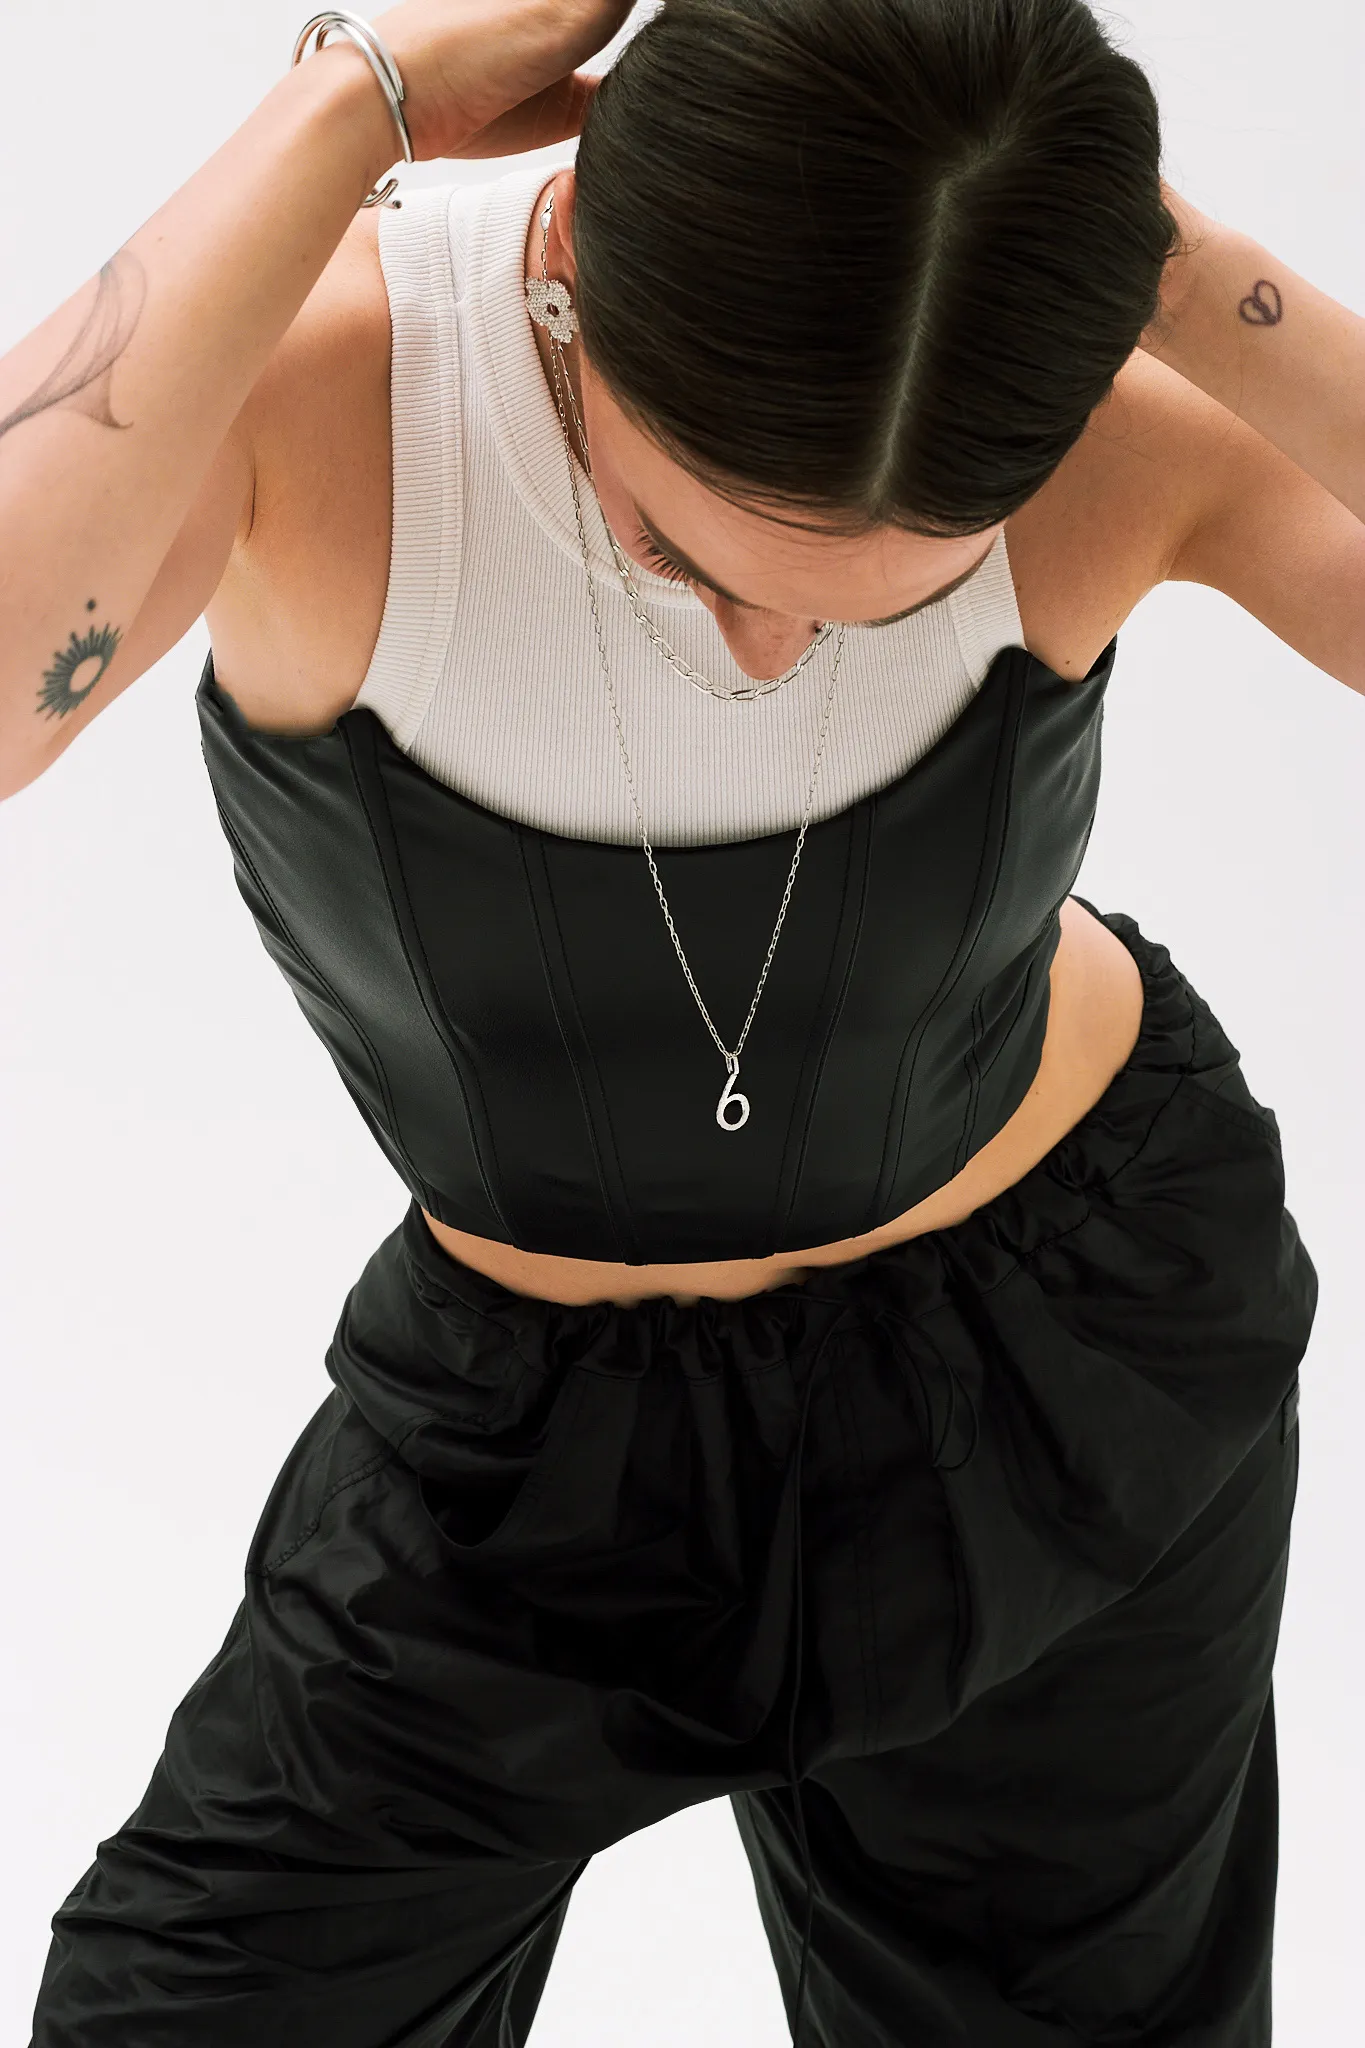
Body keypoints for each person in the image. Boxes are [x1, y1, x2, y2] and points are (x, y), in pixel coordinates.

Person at [6, 0, 1357, 2039]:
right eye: (684, 545)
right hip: (528, 1472)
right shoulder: (343, 383)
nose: (768, 649)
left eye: (893, 594)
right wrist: (347, 107)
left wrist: (1155, 266)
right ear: (564, 267)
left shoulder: (1088, 403)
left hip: (1071, 1377)